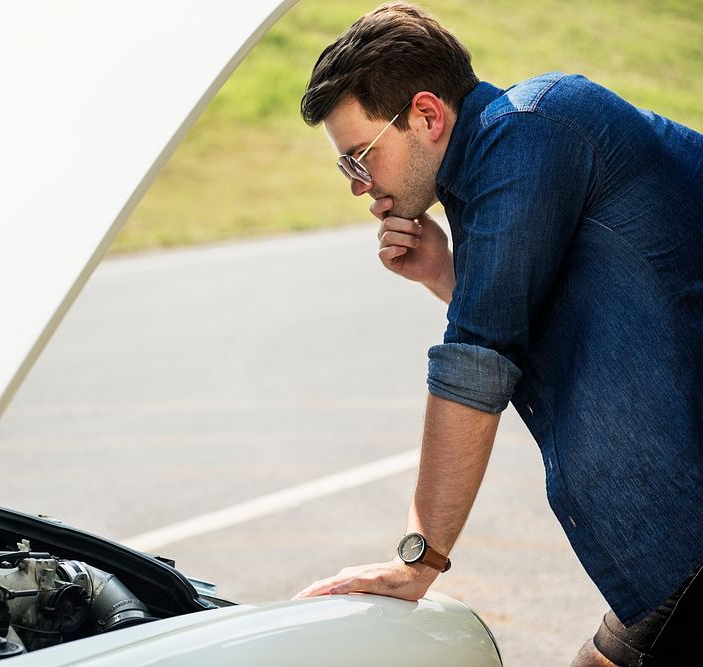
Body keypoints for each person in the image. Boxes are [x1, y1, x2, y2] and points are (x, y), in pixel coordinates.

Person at [290, 3, 703, 666]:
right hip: (674, 540)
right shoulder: (500, 165)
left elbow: (479, 359)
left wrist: (418, 559)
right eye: (347, 170)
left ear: (427, 115)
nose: (358, 187)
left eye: (360, 158)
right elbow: (553, 320)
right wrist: (444, 273)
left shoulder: (528, 132)